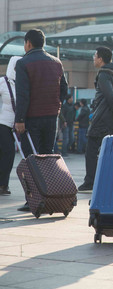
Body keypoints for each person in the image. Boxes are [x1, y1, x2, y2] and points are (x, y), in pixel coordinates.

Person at [14, 29, 68, 211]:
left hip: (31, 118)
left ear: (28, 43)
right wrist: (56, 107)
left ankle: (33, 199)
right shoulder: (56, 62)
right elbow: (64, 90)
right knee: (47, 156)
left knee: (31, 159)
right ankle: (50, 195)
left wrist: (19, 119)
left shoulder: (23, 63)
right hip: (51, 117)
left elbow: (22, 94)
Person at [78, 46, 113, 192]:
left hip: (103, 119)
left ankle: (90, 182)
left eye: (95, 56)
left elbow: (111, 96)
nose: (93, 58)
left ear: (100, 59)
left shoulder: (104, 74)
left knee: (91, 150)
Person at [0, 56, 21, 196]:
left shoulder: (25, 82)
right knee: (7, 153)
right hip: (3, 124)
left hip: (19, 124)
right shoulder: (2, 82)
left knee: (9, 156)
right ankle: (2, 185)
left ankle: (3, 184)